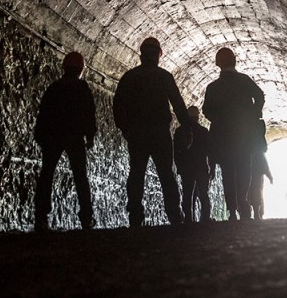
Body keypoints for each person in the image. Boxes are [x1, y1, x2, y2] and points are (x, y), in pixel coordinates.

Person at [112, 37, 192, 227]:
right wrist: (187, 128)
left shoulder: (130, 77)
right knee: (166, 174)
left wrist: (125, 128)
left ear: (141, 54)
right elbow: (178, 104)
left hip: (137, 133)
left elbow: (117, 105)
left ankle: (135, 217)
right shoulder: (164, 76)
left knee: (136, 174)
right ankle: (174, 215)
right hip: (160, 133)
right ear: (158, 55)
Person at [32, 51, 97, 232]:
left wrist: (40, 136)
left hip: (53, 136)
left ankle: (41, 217)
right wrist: (90, 136)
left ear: (64, 67)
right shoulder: (82, 88)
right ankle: (86, 217)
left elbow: (43, 113)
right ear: (81, 69)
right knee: (80, 177)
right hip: (74, 137)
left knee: (47, 174)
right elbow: (89, 113)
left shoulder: (54, 88)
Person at [202, 47, 265, 221]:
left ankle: (231, 210)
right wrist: (253, 114)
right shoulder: (244, 81)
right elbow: (259, 96)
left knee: (228, 172)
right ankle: (243, 204)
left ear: (217, 64)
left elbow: (206, 110)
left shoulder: (213, 87)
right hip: (244, 135)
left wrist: (219, 119)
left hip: (223, 138)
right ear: (234, 61)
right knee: (244, 168)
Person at [172, 105, 215, 224]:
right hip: (201, 166)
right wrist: (212, 167)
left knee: (187, 194)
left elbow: (176, 152)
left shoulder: (180, 132)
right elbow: (210, 152)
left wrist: (179, 167)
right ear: (198, 117)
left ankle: (188, 220)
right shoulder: (203, 131)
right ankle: (205, 219)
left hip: (187, 168)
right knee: (203, 194)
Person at [248, 149, 273, 220]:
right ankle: (257, 213)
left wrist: (269, 176)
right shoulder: (259, 151)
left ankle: (252, 213)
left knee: (251, 193)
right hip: (257, 174)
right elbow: (264, 164)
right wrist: (270, 176)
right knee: (257, 192)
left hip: (249, 173)